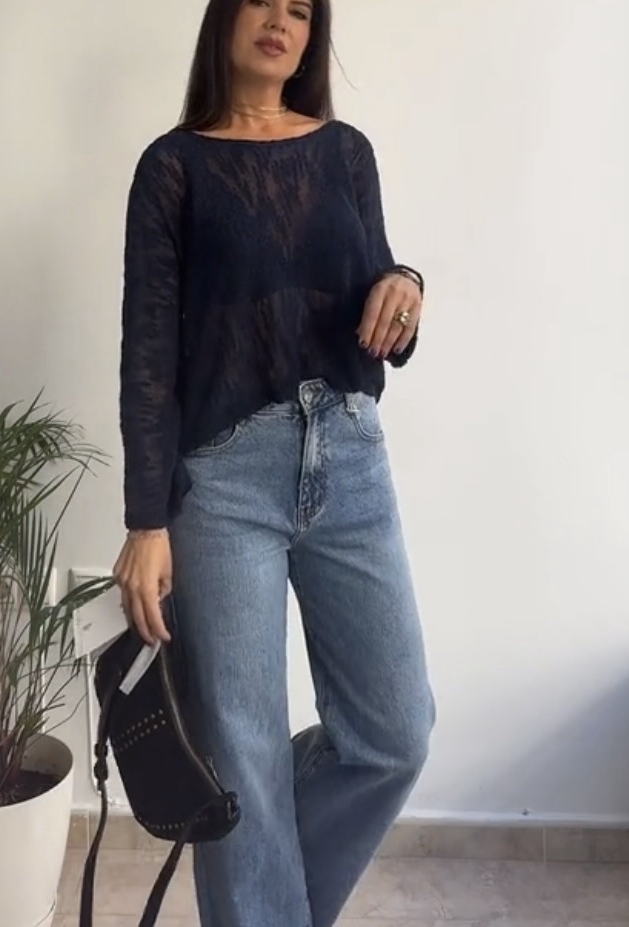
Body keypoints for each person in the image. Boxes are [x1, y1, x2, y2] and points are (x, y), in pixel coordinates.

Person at [113, 1, 435, 924]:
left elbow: (377, 291)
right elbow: (148, 351)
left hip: (350, 456)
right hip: (223, 481)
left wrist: (406, 285)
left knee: (395, 732)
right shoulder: (173, 167)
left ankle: (264, 894)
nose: (280, 19)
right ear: (226, 16)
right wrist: (146, 519)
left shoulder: (345, 153)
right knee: (241, 749)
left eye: (301, 8)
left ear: (311, 36)